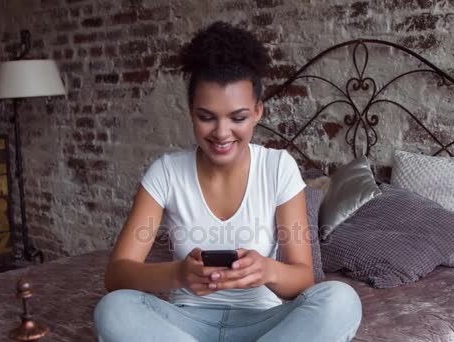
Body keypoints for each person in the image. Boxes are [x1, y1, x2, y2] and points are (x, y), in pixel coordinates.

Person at [93, 21, 362, 342]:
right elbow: (117, 274)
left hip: (264, 324)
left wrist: (268, 271)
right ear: (191, 112)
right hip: (184, 325)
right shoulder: (165, 172)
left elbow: (303, 280)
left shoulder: (278, 167)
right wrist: (178, 273)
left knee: (341, 300)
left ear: (258, 111)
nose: (221, 133)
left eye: (237, 118)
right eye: (206, 117)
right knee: (114, 308)